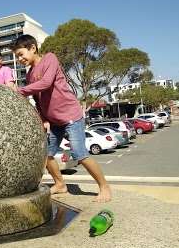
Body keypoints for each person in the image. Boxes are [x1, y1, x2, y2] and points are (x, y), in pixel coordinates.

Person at [11, 34, 111, 202]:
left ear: (33, 48)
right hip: (54, 121)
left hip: (71, 115)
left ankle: (104, 187)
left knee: (79, 154)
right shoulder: (29, 75)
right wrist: (43, 119)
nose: (20, 59)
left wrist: (20, 90)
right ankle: (60, 184)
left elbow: (46, 83)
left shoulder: (50, 58)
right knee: (46, 155)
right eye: (17, 57)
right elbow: (37, 100)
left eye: (21, 54)